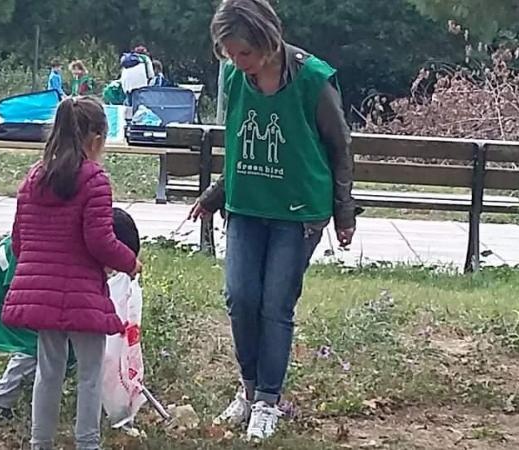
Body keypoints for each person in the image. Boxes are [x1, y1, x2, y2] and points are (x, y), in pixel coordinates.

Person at [188, 0, 356, 442]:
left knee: (275, 305)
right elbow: (240, 143)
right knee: (240, 297)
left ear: (267, 40)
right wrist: (214, 195)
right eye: (228, 53)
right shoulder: (232, 76)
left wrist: (343, 213)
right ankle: (247, 392)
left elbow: (340, 147)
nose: (236, 63)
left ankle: (268, 400)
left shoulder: (313, 79)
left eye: (244, 53)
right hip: (246, 206)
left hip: (299, 212)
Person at [1, 96, 142, 450]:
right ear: (96, 138)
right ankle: (87, 443)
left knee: (48, 372)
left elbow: (19, 240)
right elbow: (99, 240)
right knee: (90, 375)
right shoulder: (94, 179)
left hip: (43, 295)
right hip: (82, 293)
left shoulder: (35, 177)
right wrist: (130, 262)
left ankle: (40, 443)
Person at [0, 208, 142, 428]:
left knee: (57, 344)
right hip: (5, 286)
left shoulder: (73, 236)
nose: (111, 271)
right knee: (39, 344)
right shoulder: (64, 250)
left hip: (13, 279)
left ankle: (36, 391)